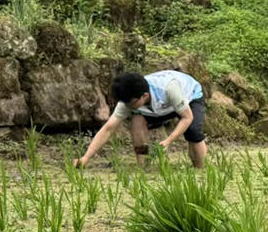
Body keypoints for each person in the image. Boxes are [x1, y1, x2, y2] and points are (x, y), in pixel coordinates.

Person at [76, 70, 207, 169]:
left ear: (144, 96)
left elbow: (187, 117)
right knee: (136, 122)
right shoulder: (128, 100)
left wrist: (168, 141)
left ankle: (200, 168)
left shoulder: (169, 89)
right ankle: (143, 166)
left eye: (130, 104)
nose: (127, 107)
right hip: (159, 107)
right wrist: (85, 158)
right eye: (125, 103)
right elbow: (108, 129)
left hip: (189, 97)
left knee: (193, 131)